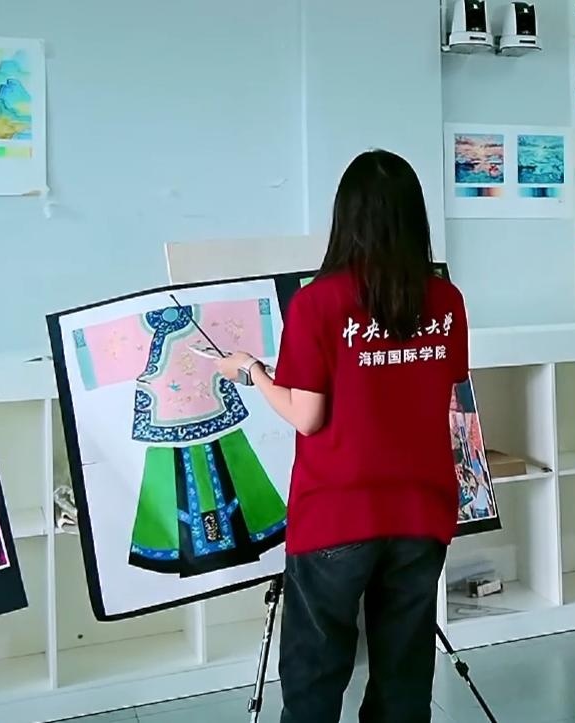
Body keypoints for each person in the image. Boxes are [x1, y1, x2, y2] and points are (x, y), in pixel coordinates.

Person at [214, 150, 468, 723]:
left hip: (336, 514)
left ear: (346, 217)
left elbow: (307, 416)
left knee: (316, 671)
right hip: (420, 509)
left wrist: (252, 372)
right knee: (404, 673)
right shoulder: (445, 300)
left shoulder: (318, 302)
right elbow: (446, 387)